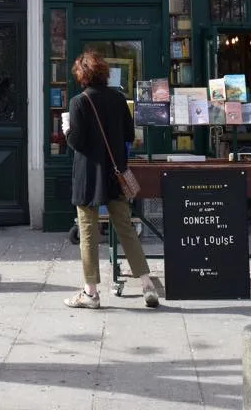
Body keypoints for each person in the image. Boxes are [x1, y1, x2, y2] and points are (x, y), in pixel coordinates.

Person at [62, 51, 159, 310]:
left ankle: (90, 293)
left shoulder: (78, 102)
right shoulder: (118, 99)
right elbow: (129, 134)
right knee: (126, 229)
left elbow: (77, 142)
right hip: (116, 174)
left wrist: (66, 130)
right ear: (104, 73)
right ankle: (148, 285)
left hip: (89, 176)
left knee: (88, 233)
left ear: (82, 75)